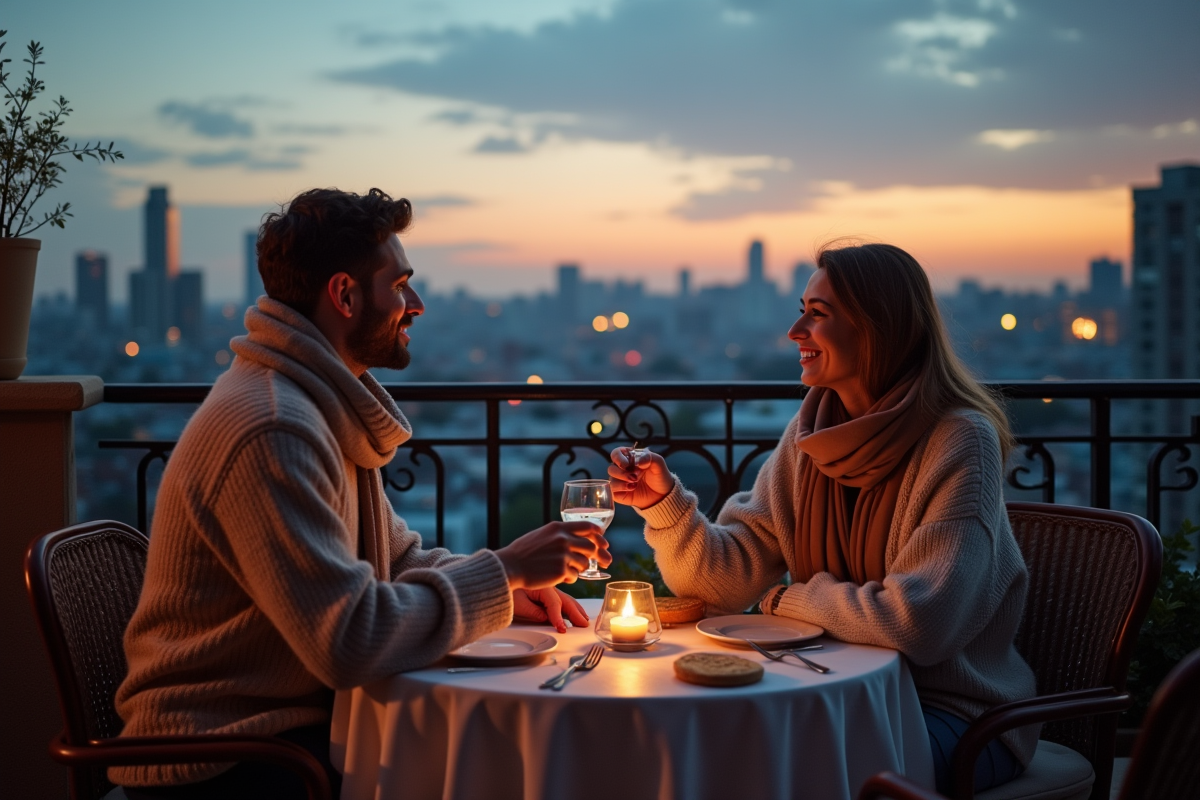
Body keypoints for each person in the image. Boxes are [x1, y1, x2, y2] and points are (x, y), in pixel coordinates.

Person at [112, 188, 610, 800]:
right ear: (345, 295)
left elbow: (396, 560)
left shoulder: (319, 403)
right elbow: (348, 640)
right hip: (224, 761)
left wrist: (508, 588)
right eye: (399, 285)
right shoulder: (274, 426)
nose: (417, 305)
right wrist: (503, 568)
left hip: (289, 731)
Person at [609, 242, 1036, 795]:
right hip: (835, 695)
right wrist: (661, 503)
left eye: (818, 313)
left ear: (877, 329)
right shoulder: (812, 434)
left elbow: (918, 625)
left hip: (953, 716)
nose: (795, 330)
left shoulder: (959, 440)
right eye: (801, 308)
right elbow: (726, 581)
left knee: (771, 770)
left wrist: (790, 600)